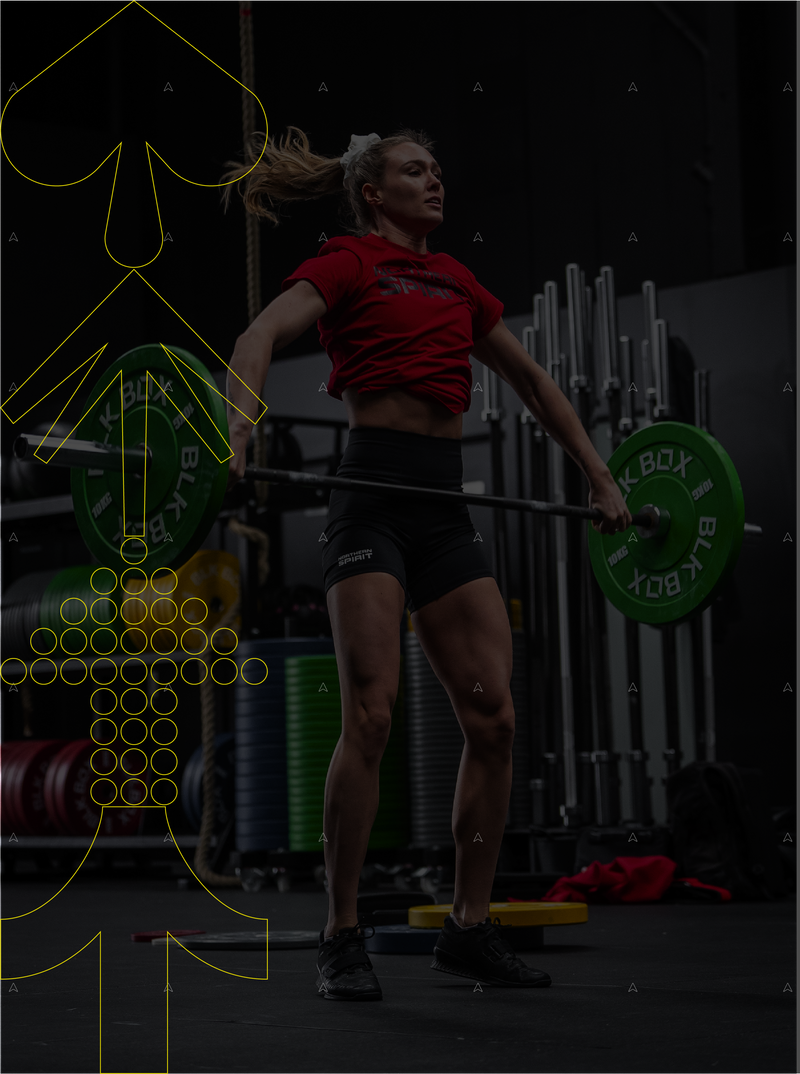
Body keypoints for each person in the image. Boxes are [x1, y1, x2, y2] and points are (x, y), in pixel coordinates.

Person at [220, 127, 632, 1000]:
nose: (435, 179)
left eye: (439, 167)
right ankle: (340, 930)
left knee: (495, 720)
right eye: (415, 169)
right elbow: (259, 333)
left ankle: (469, 931)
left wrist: (600, 478)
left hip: (443, 509)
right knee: (371, 715)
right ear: (374, 191)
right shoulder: (346, 263)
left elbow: (533, 383)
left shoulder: (456, 281)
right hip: (369, 498)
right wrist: (242, 420)